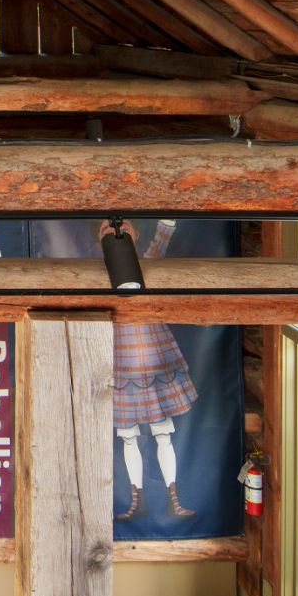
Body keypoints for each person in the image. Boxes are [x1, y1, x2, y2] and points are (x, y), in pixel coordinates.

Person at [110, 219, 199, 521]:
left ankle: (174, 501)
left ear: (134, 234)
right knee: (129, 437)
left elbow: (163, 235)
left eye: (123, 229)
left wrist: (168, 213)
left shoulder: (147, 260)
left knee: (162, 434)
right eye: (107, 231)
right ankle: (138, 502)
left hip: (153, 358)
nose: (116, 234)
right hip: (120, 363)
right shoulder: (92, 273)